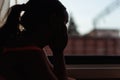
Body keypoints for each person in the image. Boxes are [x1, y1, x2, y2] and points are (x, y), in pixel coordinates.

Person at [0, 0, 72, 80]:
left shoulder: (30, 46)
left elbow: (55, 76)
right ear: (53, 20)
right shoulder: (29, 52)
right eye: (64, 23)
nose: (65, 29)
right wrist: (58, 52)